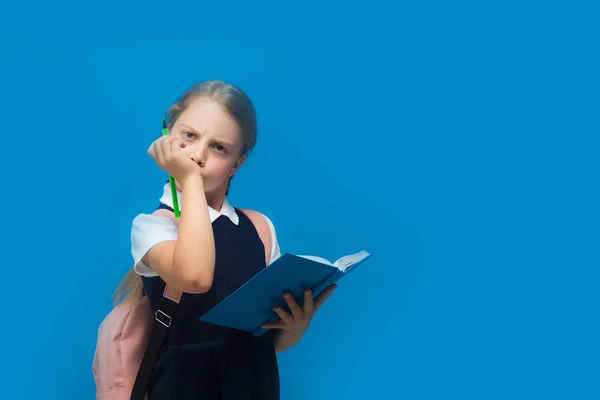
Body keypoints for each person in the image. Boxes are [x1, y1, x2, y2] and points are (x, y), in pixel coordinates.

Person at [112, 80, 337, 399]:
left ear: (237, 164)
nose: (198, 156)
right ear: (167, 135)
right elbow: (194, 276)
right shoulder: (153, 226)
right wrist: (189, 180)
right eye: (188, 136)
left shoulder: (259, 228)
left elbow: (269, 339)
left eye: (219, 147)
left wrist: (296, 325)